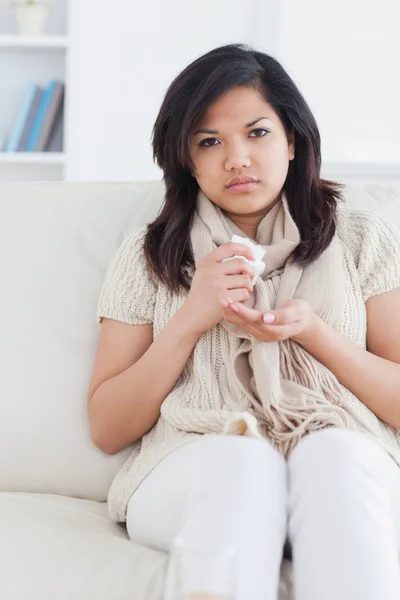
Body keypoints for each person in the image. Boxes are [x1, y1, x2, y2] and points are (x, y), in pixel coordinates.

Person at [87, 44, 400, 600]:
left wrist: (315, 334)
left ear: (293, 141)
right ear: (187, 160)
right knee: (245, 462)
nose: (237, 158)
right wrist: (191, 318)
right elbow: (108, 427)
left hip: (339, 453)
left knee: (333, 454)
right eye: (209, 141)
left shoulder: (363, 237)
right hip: (194, 462)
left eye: (257, 133)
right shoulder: (149, 253)